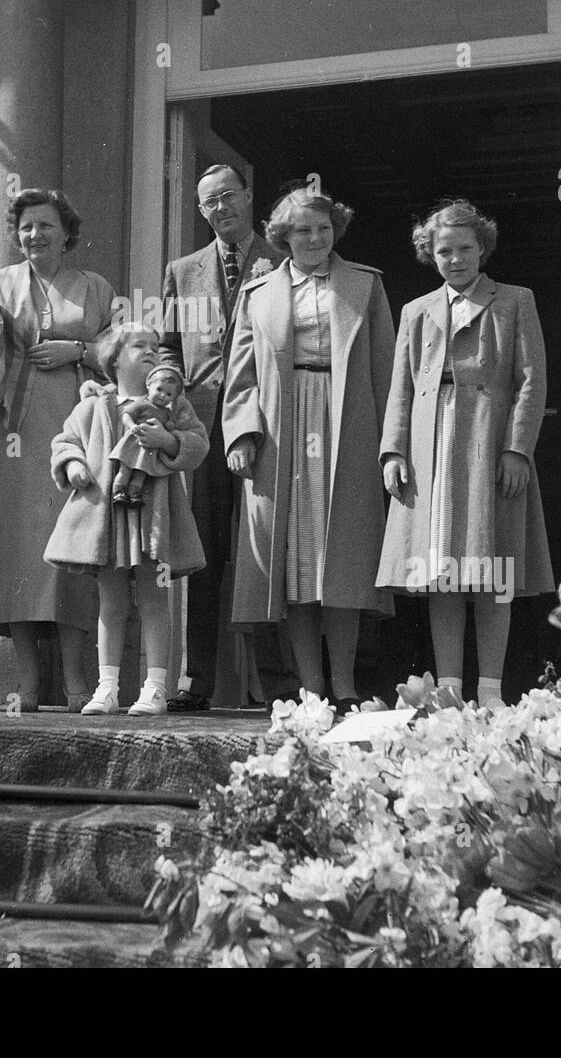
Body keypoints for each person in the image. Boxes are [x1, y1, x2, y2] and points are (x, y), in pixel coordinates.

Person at [376, 199, 555, 709]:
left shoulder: (515, 299)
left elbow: (530, 381)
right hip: (431, 445)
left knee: (492, 567)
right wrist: (394, 451)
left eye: (465, 249)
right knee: (442, 573)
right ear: (430, 255)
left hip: (488, 439)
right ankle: (451, 689)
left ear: (483, 249)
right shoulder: (416, 310)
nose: (455, 259)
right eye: (444, 251)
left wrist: (517, 449)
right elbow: (401, 388)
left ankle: (493, 691)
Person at [224, 188, 397, 715]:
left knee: (340, 557)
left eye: (323, 228)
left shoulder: (365, 285)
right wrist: (241, 433)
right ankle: (311, 687)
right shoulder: (258, 293)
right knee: (294, 561)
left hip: (349, 421)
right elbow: (241, 373)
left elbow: (388, 371)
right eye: (303, 230)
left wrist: (392, 446)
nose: (315, 238)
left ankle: (345, 686)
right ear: (284, 236)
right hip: (282, 425)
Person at [0, 190, 115, 711]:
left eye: (45, 226)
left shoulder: (93, 287)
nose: (34, 235)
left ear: (66, 233)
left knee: (71, 548)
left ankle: (75, 681)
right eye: (25, 227)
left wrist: (80, 351)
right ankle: (27, 683)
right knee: (18, 551)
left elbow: (122, 353)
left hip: (75, 429)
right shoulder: (0, 281)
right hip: (12, 433)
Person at [160, 164, 293, 713]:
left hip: (263, 417)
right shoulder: (181, 270)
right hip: (201, 423)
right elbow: (169, 344)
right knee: (205, 552)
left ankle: (280, 685)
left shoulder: (281, 259)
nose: (221, 208)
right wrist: (164, 378)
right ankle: (199, 681)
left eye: (230, 196)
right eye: (210, 202)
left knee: (265, 545)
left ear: (248, 197)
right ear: (200, 210)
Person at [45, 325, 209, 715]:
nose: (152, 352)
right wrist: (72, 465)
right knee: (111, 602)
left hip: (155, 520)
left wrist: (169, 442)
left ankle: (154, 687)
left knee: (155, 600)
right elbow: (65, 441)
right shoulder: (92, 405)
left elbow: (197, 442)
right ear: (115, 359)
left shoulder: (174, 408)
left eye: (155, 347)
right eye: (140, 346)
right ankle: (108, 686)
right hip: (108, 520)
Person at [110, 363, 186, 507]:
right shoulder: (142, 404)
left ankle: (134, 494)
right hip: (134, 442)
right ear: (149, 386)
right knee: (125, 469)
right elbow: (127, 414)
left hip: (150, 449)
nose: (163, 395)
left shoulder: (167, 413)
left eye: (169, 394)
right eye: (159, 389)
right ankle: (118, 491)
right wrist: (132, 425)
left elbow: (170, 426)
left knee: (141, 474)